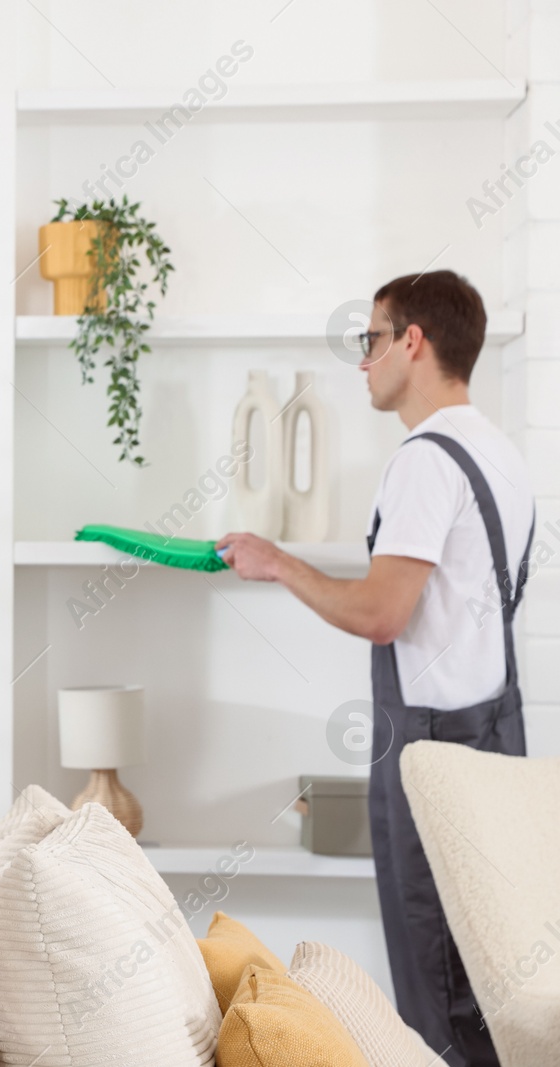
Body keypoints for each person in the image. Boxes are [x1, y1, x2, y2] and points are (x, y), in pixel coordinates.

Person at [216, 270, 534, 1067]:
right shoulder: (499, 451)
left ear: (413, 342)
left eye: (372, 339)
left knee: (438, 997)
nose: (364, 361)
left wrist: (276, 562)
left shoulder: (424, 461)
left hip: (429, 749)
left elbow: (384, 613)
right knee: (495, 981)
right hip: (497, 735)